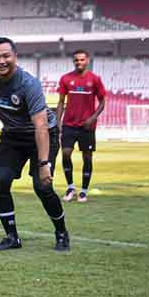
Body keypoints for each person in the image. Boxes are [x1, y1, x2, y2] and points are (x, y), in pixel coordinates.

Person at [0, 38, 69, 252]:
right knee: (0, 182)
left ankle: (61, 232)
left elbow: (40, 125)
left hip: (41, 134)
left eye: (6, 56)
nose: (1, 61)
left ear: (15, 57)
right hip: (12, 136)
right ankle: (12, 237)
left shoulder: (28, 84)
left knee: (42, 186)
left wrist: (44, 163)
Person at [55, 50, 106, 203]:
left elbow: (103, 101)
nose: (79, 62)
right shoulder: (66, 79)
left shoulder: (94, 79)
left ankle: (83, 191)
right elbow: (61, 102)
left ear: (87, 61)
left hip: (87, 126)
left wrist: (93, 117)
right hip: (69, 124)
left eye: (82, 60)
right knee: (65, 154)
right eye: (76, 60)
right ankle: (71, 187)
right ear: (73, 61)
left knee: (87, 158)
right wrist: (58, 122)